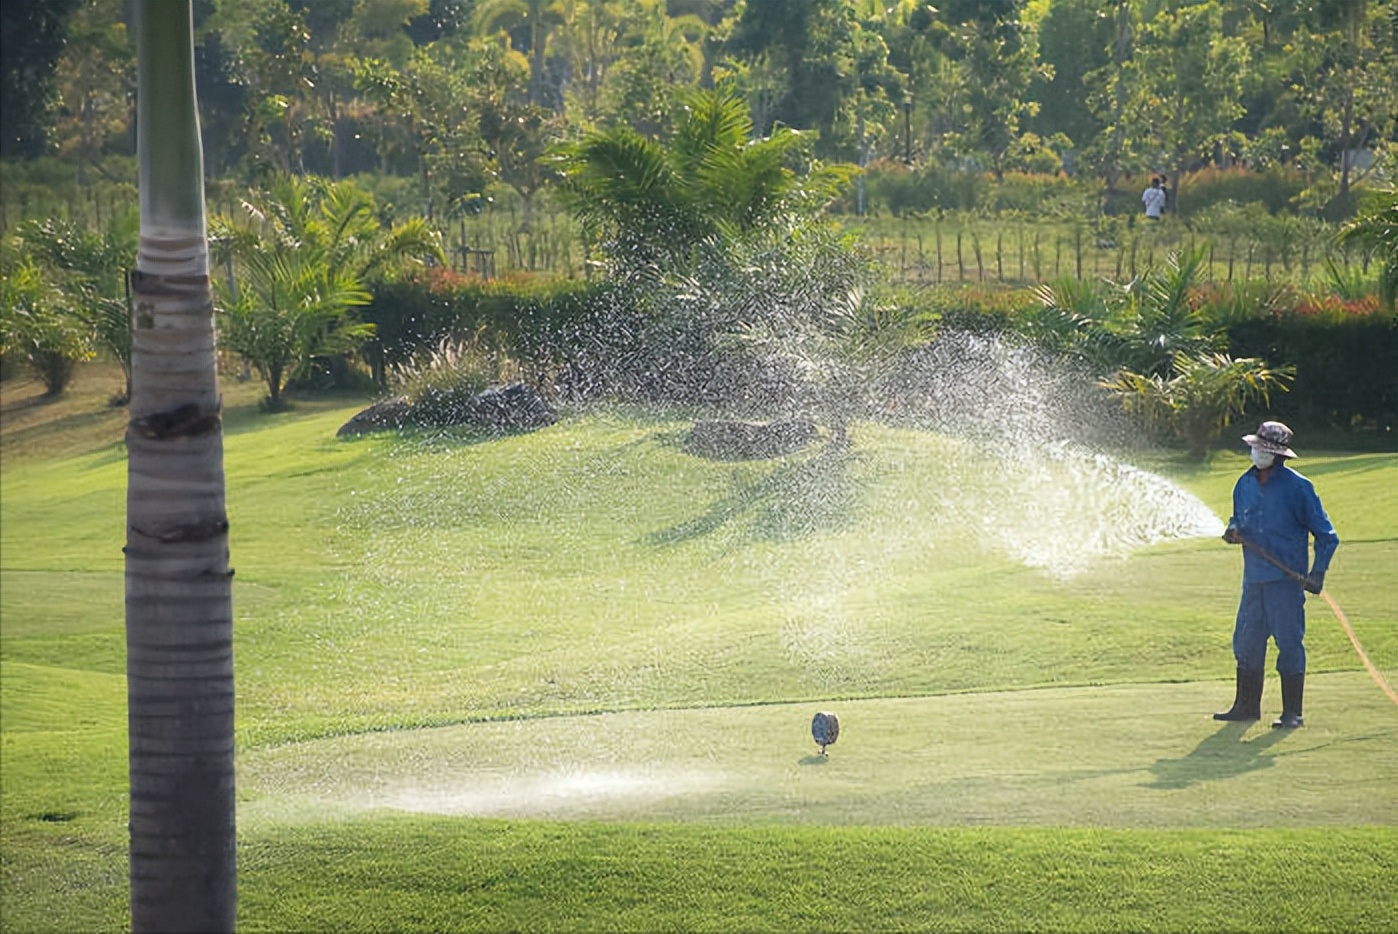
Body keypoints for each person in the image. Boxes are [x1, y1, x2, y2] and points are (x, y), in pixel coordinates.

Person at [1215, 421, 1338, 728]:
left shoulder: (1299, 488)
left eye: (1262, 449)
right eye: (1255, 447)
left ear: (1278, 454)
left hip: (1285, 583)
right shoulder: (1243, 483)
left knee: (1289, 644)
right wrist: (1232, 530)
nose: (1256, 452)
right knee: (1246, 643)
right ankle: (1246, 707)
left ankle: (1292, 712)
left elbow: (1327, 536)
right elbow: (1237, 519)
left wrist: (1317, 573)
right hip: (1253, 580)